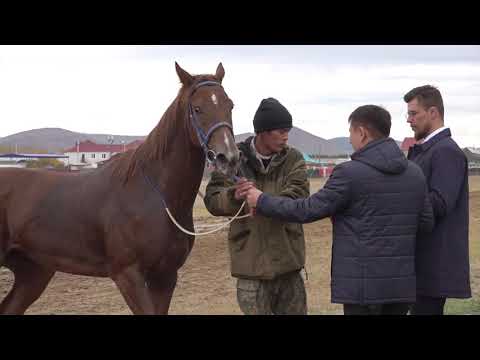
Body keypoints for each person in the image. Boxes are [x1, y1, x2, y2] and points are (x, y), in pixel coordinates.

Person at [245, 105, 434, 315]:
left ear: (362, 133)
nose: (351, 139)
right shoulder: (415, 172)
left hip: (362, 288)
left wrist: (261, 200)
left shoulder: (349, 173)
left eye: (351, 132)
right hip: (402, 286)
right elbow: (426, 222)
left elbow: (307, 210)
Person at [203, 97, 310, 315]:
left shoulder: (294, 159)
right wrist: (234, 196)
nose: (285, 136)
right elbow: (213, 201)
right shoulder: (233, 159)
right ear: (262, 131)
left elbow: (298, 196)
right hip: (251, 270)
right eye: (280, 131)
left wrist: (260, 201)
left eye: (287, 130)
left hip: (289, 266)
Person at [404, 85, 471, 315]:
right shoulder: (426, 150)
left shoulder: (445, 151)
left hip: (433, 264)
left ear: (433, 113)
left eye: (413, 114)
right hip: (421, 261)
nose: (408, 120)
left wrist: (398, 205)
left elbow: (440, 203)